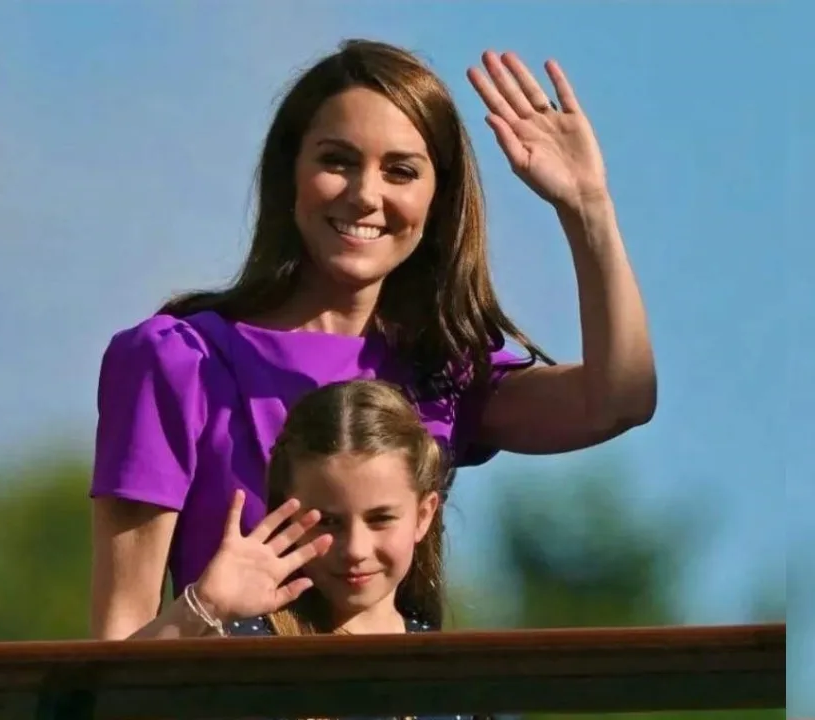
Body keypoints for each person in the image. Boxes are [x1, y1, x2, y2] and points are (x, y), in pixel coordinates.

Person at [90, 39, 656, 640]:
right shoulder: (178, 361)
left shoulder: (442, 369)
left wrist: (588, 207)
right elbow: (115, 652)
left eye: (401, 171)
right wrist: (204, 609)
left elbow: (618, 399)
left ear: (436, 199)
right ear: (291, 174)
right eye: (337, 160)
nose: (366, 194)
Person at [129, 380, 477, 719]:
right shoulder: (245, 654)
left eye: (380, 519)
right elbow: (105, 704)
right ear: (287, 511)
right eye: (327, 522)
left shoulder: (457, 679)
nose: (355, 549)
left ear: (423, 515)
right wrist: (202, 607)